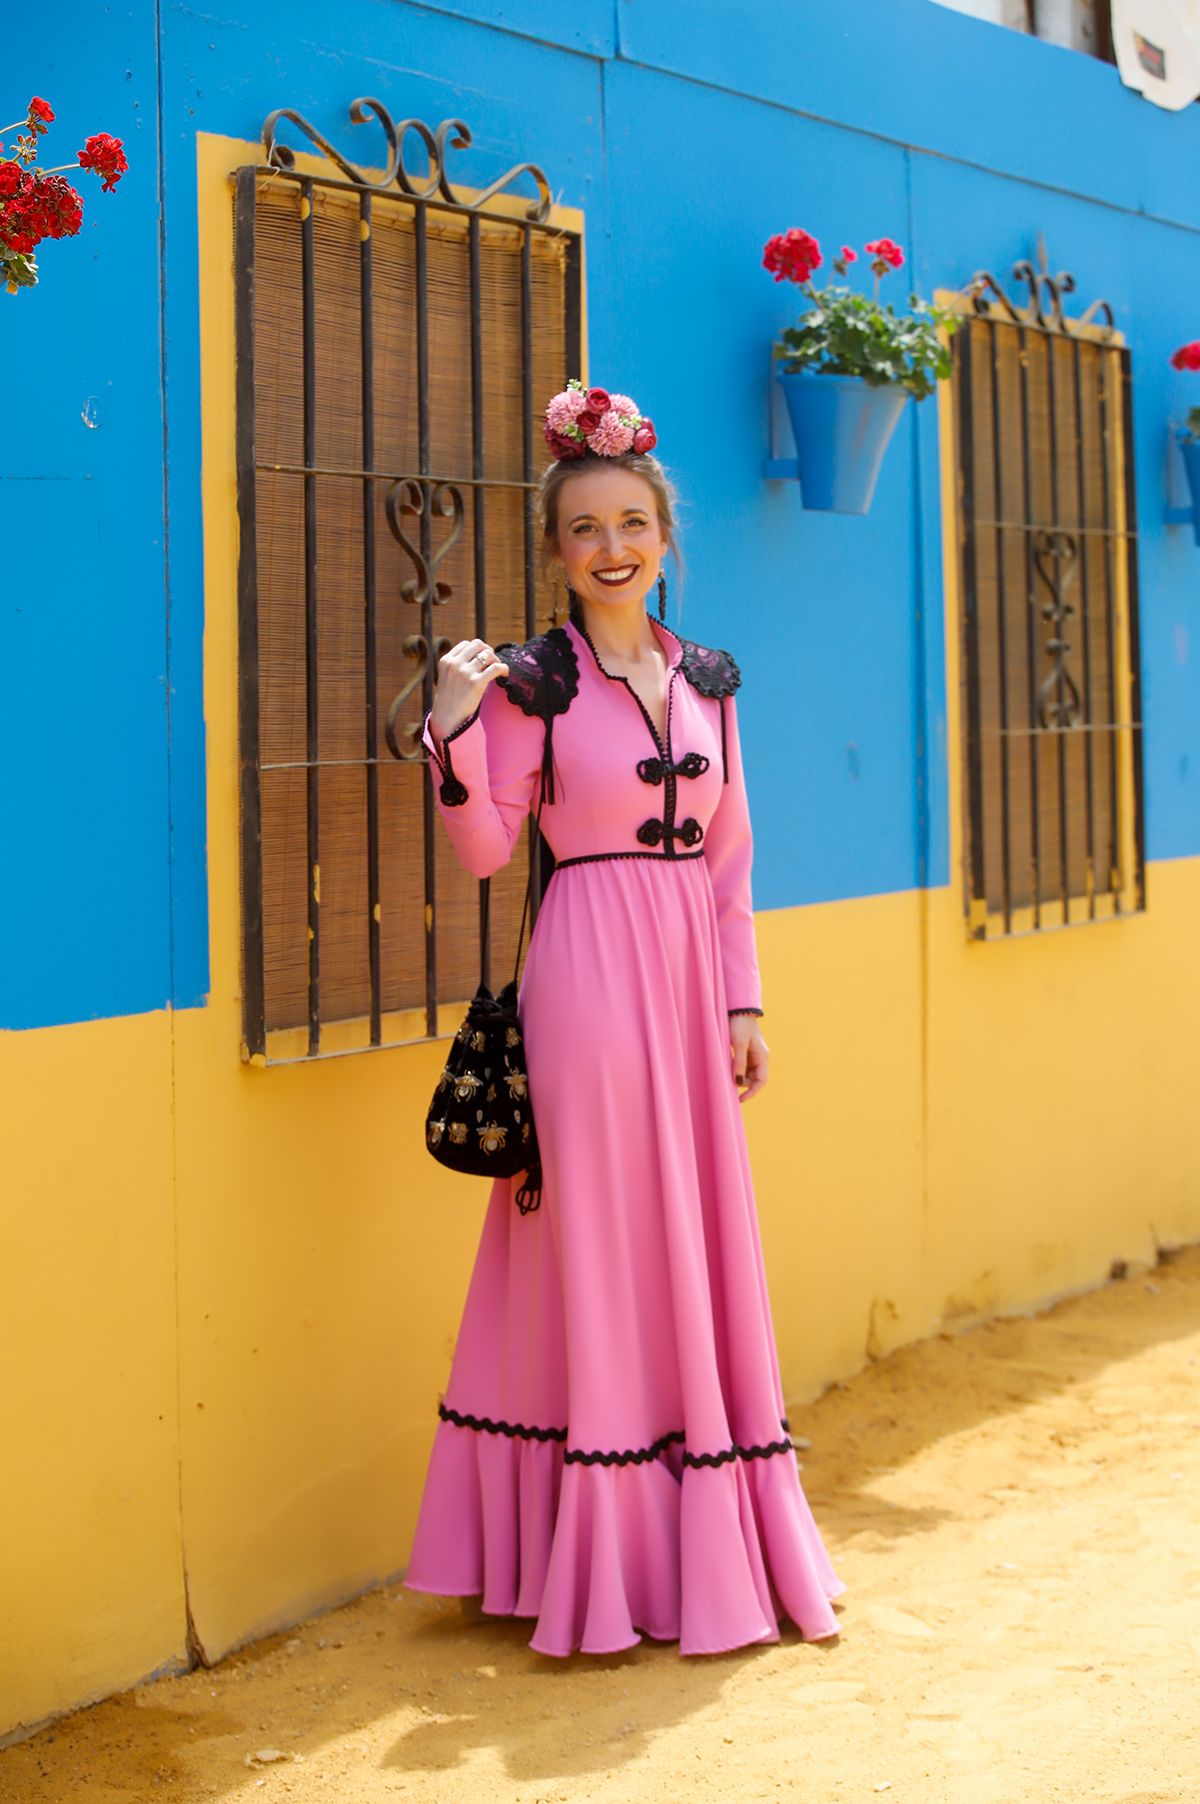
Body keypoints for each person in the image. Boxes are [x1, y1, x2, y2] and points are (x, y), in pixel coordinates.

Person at [403, 381, 846, 1656]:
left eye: (631, 523)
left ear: (664, 535)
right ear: (557, 548)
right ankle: (593, 1562)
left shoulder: (709, 678)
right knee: (598, 1240)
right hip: (587, 981)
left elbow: (731, 859)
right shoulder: (529, 684)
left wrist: (744, 999)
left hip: (689, 985)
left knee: (695, 1235)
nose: (611, 547)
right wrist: (448, 737)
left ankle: (714, 1546)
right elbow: (488, 850)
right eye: (585, 528)